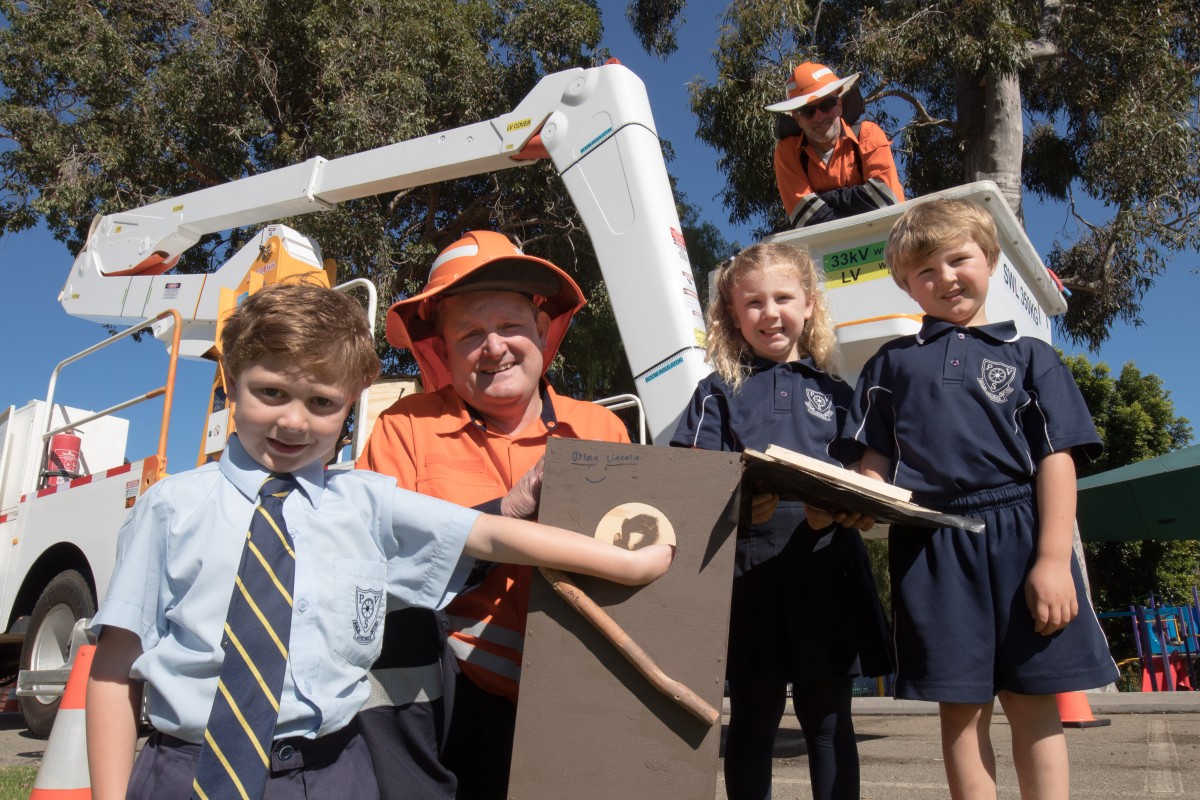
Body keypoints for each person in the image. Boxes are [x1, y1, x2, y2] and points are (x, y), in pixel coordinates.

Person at [84, 281, 669, 800]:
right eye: (270, 393)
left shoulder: (363, 500)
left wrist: (628, 565)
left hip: (331, 771)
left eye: (321, 403)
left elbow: (490, 533)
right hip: (187, 768)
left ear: (348, 408)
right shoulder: (170, 507)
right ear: (230, 384)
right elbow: (115, 666)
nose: (293, 422)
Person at [843, 199, 1118, 800]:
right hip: (934, 543)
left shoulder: (1033, 358)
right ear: (905, 285)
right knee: (960, 710)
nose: (944, 278)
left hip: (1021, 536)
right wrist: (865, 492)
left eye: (958, 259)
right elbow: (874, 460)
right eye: (924, 271)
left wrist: (1051, 560)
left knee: (1032, 703)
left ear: (989, 260)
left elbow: (1056, 461)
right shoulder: (889, 365)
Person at [357, 230, 630, 799]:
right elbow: (370, 564)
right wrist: (502, 513)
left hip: (574, 691)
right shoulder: (402, 428)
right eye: (470, 334)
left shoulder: (603, 430)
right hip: (445, 710)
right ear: (445, 352)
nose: (494, 347)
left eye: (508, 327)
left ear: (539, 328)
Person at [670, 243, 893, 800]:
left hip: (828, 569)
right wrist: (739, 506)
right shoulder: (715, 393)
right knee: (752, 718)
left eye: (783, 298)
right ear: (730, 315)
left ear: (810, 305)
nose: (770, 313)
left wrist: (846, 507)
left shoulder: (844, 395)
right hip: (750, 574)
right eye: (753, 303)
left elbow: (868, 487)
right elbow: (689, 483)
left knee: (828, 719)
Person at [766, 62, 904, 229]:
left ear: (839, 105)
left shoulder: (867, 134)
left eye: (826, 105)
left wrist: (825, 198)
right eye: (808, 111)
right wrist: (859, 198)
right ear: (797, 118)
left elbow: (884, 199)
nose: (819, 117)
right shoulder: (788, 152)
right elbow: (807, 219)